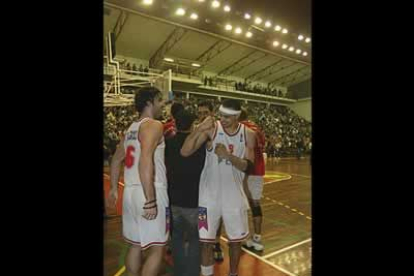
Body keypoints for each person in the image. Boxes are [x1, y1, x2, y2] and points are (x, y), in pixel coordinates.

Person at [181, 99, 256, 276]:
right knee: (205, 242)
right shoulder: (212, 129)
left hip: (234, 197)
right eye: (221, 115)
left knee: (235, 242)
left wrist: (228, 156)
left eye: (228, 117)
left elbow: (250, 167)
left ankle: (233, 273)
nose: (223, 119)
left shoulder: (249, 134)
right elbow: (185, 152)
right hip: (208, 197)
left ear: (237, 116)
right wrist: (199, 128)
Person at [107, 87, 168, 276]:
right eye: (160, 100)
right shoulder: (154, 125)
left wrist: (114, 189)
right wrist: (150, 200)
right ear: (149, 102)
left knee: (135, 246)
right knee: (157, 249)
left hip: (130, 192)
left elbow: (116, 160)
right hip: (150, 190)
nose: (162, 105)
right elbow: (145, 162)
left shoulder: (131, 129)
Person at [165, 109, 206, 276]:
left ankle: (180, 272)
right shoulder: (199, 144)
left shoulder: (168, 142)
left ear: (175, 123)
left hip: (173, 199)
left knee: (176, 239)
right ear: (192, 125)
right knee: (197, 240)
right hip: (196, 200)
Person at [238, 109, 266, 251]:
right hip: (258, 170)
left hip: (245, 170)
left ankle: (244, 238)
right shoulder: (257, 128)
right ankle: (257, 238)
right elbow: (263, 145)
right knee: (255, 204)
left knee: (241, 203)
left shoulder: (241, 129)